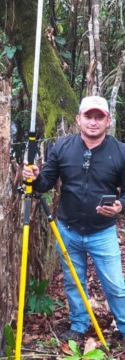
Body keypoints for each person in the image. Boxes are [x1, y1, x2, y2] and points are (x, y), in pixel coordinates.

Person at [22, 95, 125, 344]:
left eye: (99, 117)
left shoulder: (121, 151)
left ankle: (123, 327)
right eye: (88, 116)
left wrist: (120, 207)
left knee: (115, 286)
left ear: (107, 121)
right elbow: (45, 182)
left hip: (103, 232)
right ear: (78, 119)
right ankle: (79, 324)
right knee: (73, 281)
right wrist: (33, 176)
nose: (93, 122)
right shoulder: (62, 147)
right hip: (67, 230)